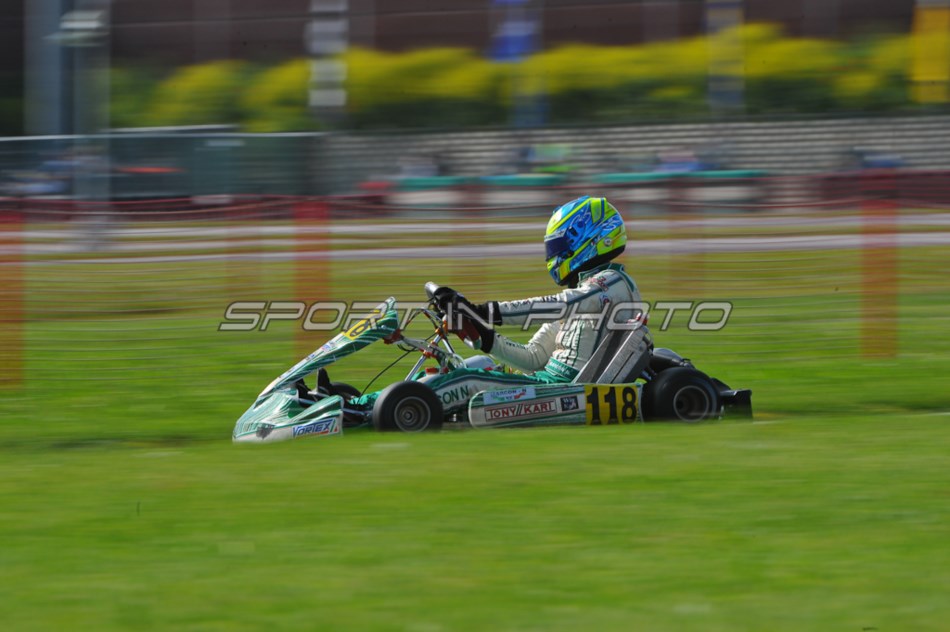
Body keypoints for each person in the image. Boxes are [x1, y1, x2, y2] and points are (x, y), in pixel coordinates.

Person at [386, 195, 644, 413]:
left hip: (565, 390)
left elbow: (560, 304)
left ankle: (390, 409)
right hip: (544, 382)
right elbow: (533, 358)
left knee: (469, 380)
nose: (554, 255)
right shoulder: (582, 296)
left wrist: (480, 311)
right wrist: (484, 336)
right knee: (466, 366)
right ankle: (372, 403)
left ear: (591, 238)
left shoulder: (612, 283)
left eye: (559, 246)